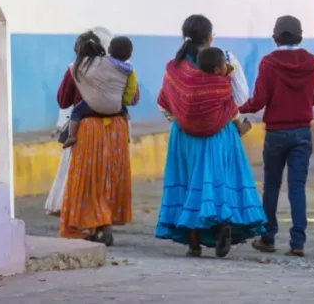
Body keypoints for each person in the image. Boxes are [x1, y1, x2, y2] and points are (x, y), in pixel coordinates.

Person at [154, 14, 265, 258]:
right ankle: (223, 225)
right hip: (220, 132)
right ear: (208, 36)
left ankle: (193, 244)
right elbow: (240, 97)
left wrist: (182, 118)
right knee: (219, 180)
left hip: (183, 136)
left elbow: (165, 104)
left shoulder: (174, 67)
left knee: (189, 183)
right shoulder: (224, 60)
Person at [240, 15, 314, 258]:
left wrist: (237, 107)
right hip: (302, 132)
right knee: (297, 187)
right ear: (300, 37)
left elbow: (258, 102)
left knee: (272, 186)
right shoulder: (311, 61)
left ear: (275, 38)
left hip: (276, 133)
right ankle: (297, 242)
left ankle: (268, 237)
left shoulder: (268, 63)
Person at [57, 31, 138, 245]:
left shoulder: (76, 68)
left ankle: (90, 225)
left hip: (89, 128)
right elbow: (134, 97)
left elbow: (63, 101)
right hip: (118, 128)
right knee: (110, 177)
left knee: (88, 178)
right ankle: (107, 222)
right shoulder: (121, 67)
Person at [64, 36, 137, 148]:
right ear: (130, 55)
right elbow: (133, 93)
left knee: (76, 111)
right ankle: (126, 136)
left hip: (92, 109)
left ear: (109, 50)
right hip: (116, 108)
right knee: (125, 113)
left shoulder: (97, 64)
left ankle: (71, 136)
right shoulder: (128, 69)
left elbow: (63, 101)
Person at [198, 47, 252, 137]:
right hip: (220, 137)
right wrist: (245, 126)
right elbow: (234, 116)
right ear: (216, 70)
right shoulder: (222, 90)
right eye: (224, 64)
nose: (227, 65)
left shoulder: (199, 85)